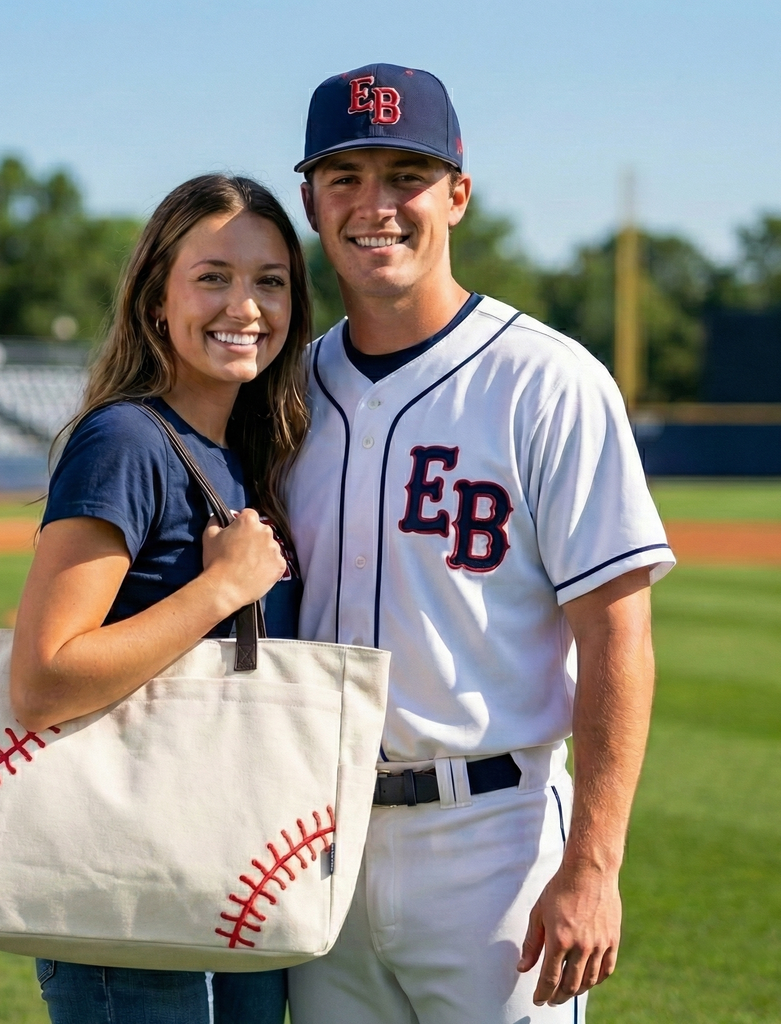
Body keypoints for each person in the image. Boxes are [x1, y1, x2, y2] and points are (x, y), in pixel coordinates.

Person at [285, 64, 676, 1023]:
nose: (376, 204)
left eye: (405, 174)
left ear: (456, 194)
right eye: (346, 176)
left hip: (490, 841)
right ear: (310, 200)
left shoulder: (549, 383)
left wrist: (593, 866)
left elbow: (617, 637)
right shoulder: (283, 394)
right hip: (311, 839)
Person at [9, 173, 312, 1024]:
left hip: (234, 876)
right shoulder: (125, 441)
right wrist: (220, 588)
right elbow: (43, 680)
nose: (244, 305)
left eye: (270, 280)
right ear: (155, 303)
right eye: (212, 277)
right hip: (132, 901)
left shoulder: (244, 452)